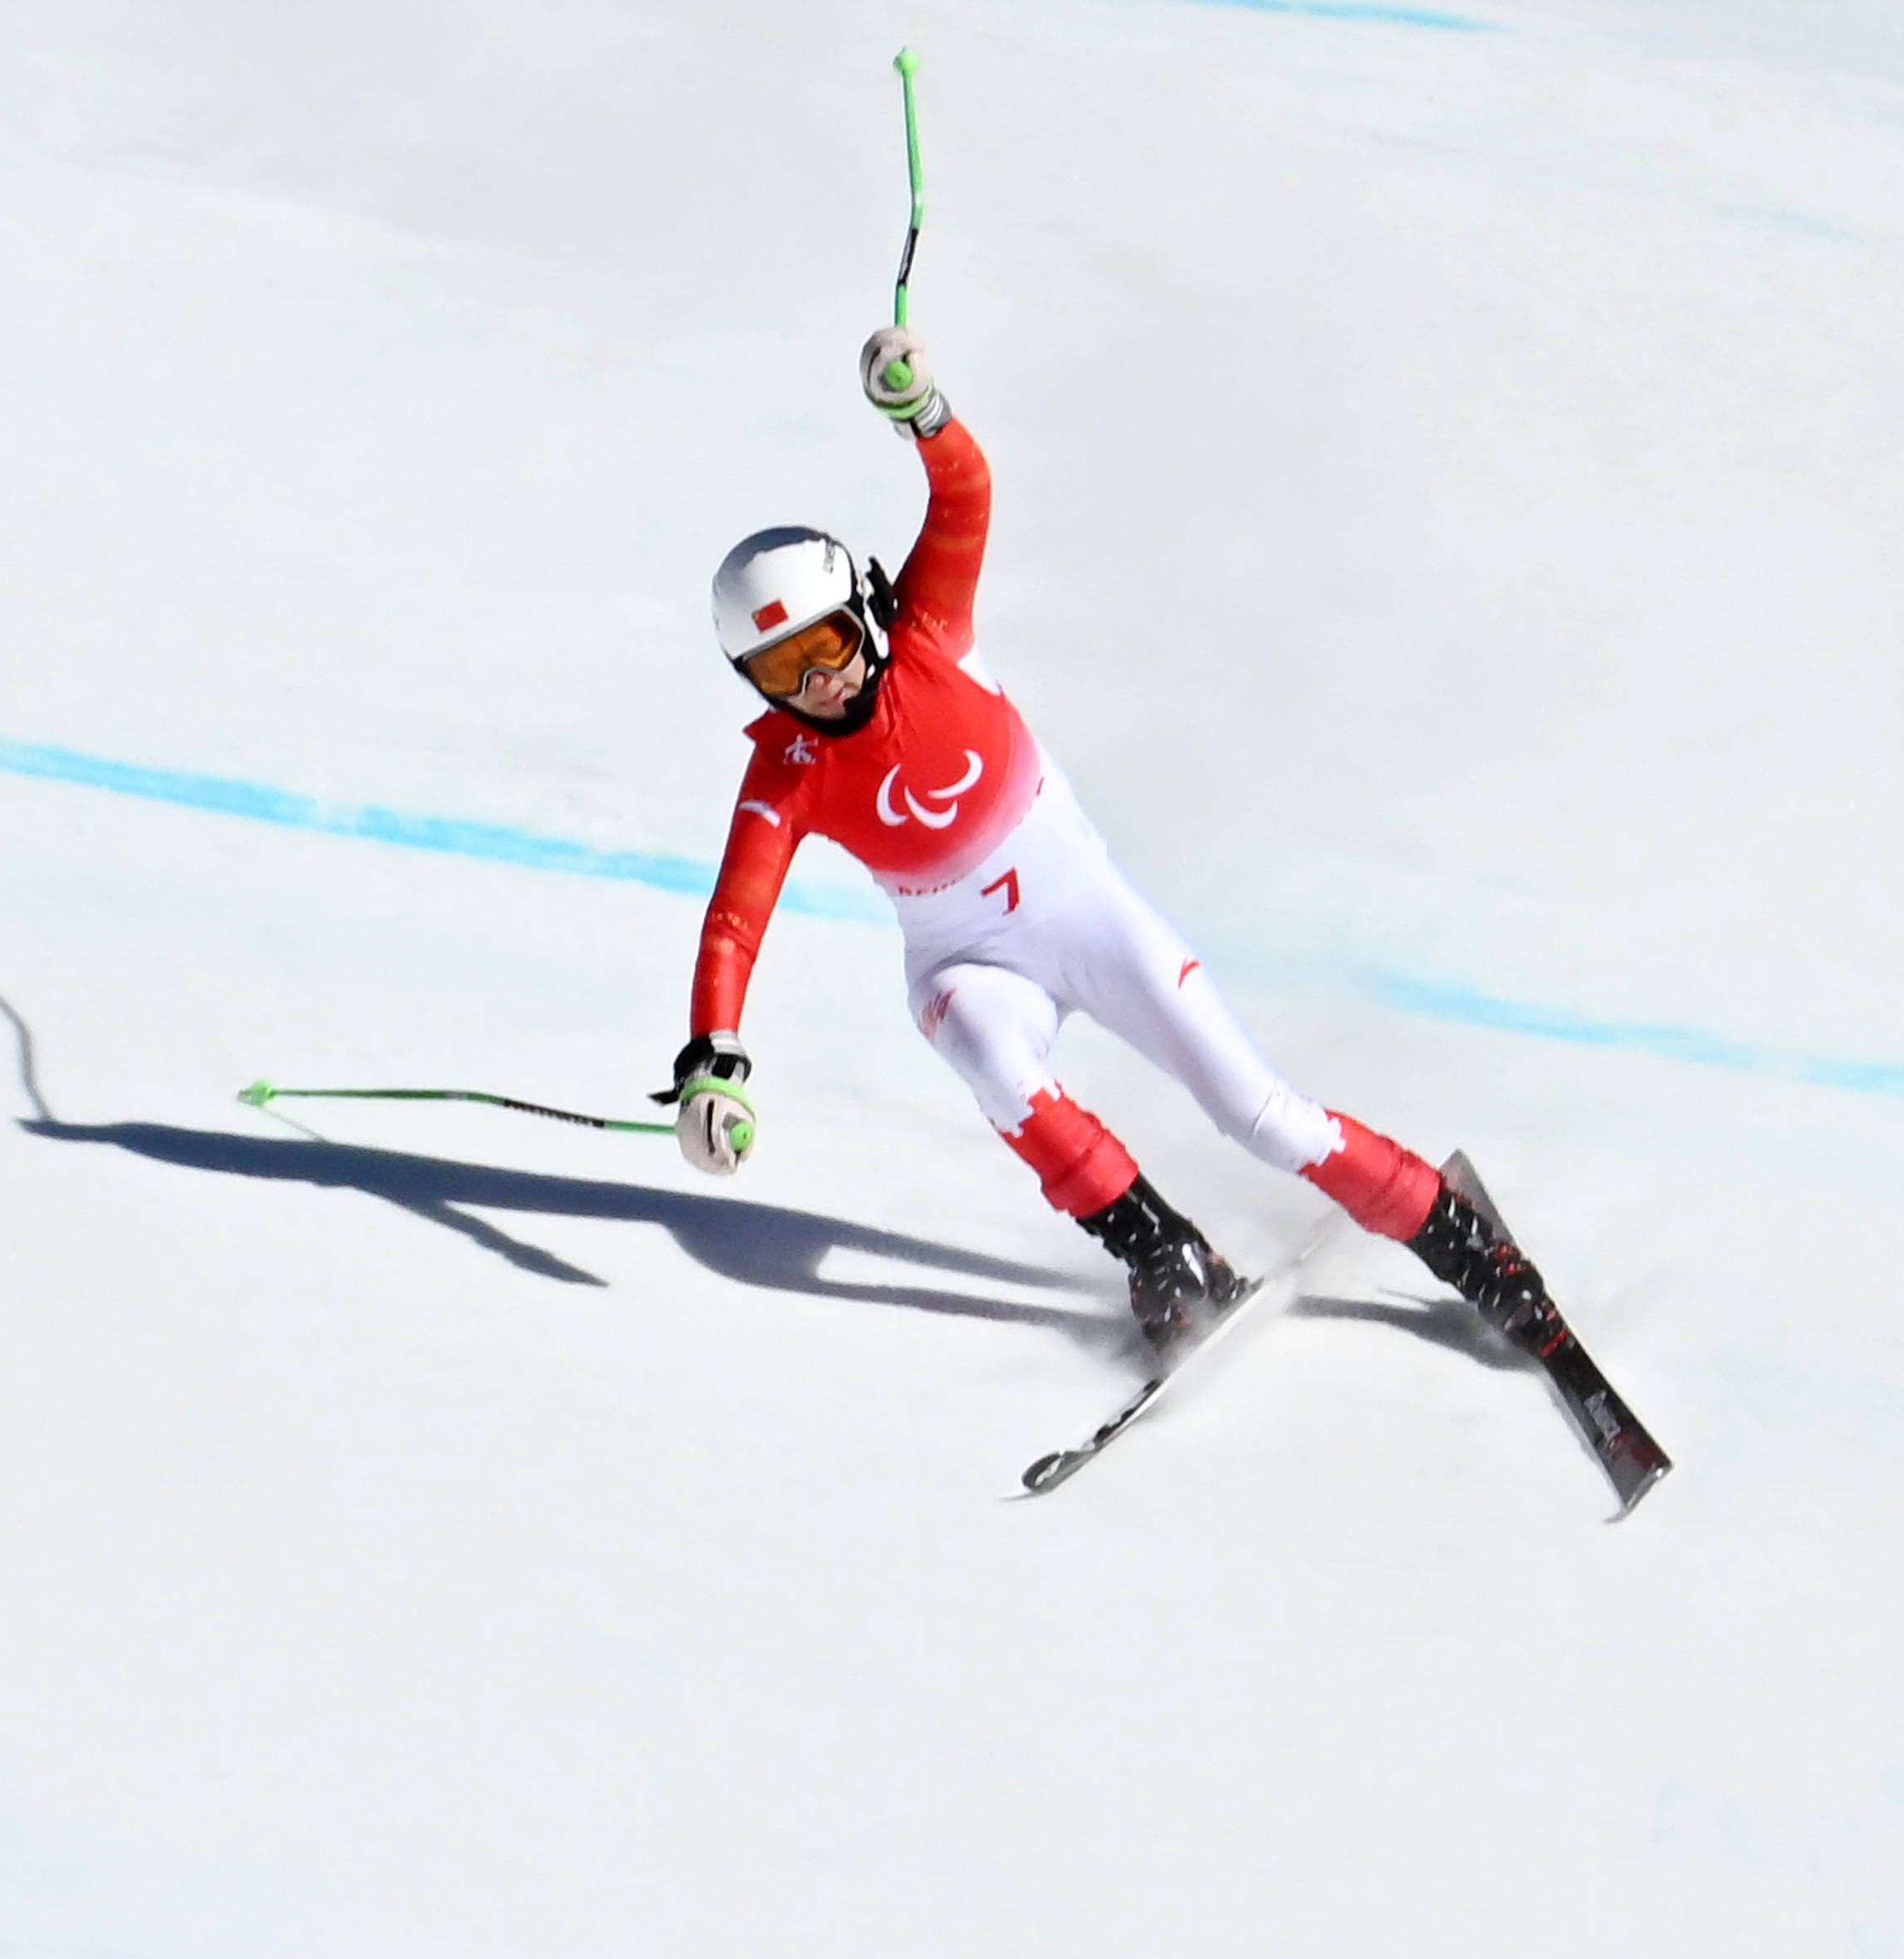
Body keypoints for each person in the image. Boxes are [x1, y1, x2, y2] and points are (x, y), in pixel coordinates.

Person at [671, 331, 1582, 1370]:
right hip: (964, 959)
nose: (820, 685)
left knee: (1265, 1118)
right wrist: (715, 1061)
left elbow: (963, 496)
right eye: (785, 671)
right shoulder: (785, 767)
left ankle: (1463, 1243)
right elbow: (733, 920)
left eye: (826, 646)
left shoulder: (932, 630)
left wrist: (922, 412)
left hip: (1083, 913)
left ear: (865, 617)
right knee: (988, 1056)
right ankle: (1166, 1257)